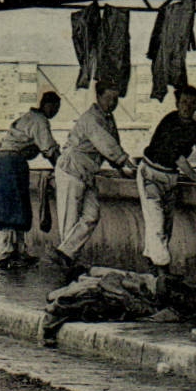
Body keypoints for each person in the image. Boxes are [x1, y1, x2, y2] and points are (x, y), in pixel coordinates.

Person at [53, 82, 137, 270]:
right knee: (70, 220)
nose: (112, 103)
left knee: (92, 215)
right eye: (108, 98)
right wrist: (127, 163)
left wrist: (122, 168)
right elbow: (107, 145)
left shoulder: (108, 118)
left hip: (87, 173)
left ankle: (66, 253)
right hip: (71, 170)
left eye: (115, 99)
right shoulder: (92, 119)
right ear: (98, 97)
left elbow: (114, 145)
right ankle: (68, 264)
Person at [137, 84, 196, 280]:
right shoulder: (169, 122)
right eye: (184, 102)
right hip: (151, 175)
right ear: (177, 103)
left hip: (170, 179)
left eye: (192, 103)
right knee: (156, 223)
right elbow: (178, 158)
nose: (187, 107)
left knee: (165, 228)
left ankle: (153, 268)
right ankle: (163, 273)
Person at [0, 92, 61, 269]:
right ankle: (5, 253)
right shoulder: (39, 120)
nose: (55, 111)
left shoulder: (29, 117)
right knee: (11, 208)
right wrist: (61, 169)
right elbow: (49, 149)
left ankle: (19, 251)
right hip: (11, 161)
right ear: (46, 105)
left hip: (8, 160)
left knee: (19, 206)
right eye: (54, 107)